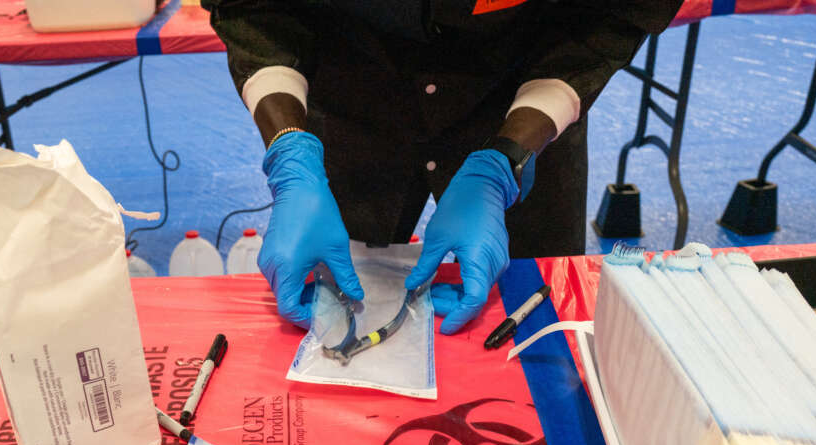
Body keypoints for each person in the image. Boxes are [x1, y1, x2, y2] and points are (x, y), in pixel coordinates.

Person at [202, 0, 682, 333]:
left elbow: (609, 16)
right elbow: (254, 8)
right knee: (330, 312)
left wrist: (507, 159)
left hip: (522, 88)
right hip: (349, 88)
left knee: (536, 324)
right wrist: (291, 152)